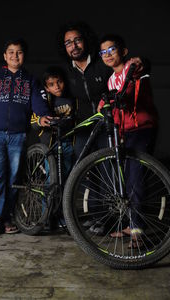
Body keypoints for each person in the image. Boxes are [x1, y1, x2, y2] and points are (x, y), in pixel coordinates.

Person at [0, 38, 51, 238]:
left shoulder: (30, 80)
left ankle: (8, 217)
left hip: (18, 136)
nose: (15, 56)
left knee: (14, 177)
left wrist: (43, 115)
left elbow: (38, 102)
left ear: (24, 56)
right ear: (4, 56)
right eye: (11, 52)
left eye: (19, 52)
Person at [97, 34, 158, 246]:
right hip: (124, 134)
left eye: (111, 50)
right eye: (103, 52)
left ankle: (137, 232)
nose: (107, 55)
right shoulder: (111, 80)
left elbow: (141, 66)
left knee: (135, 180)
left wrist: (138, 62)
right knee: (125, 180)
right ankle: (132, 223)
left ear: (123, 51)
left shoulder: (133, 69)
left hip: (141, 129)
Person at [56, 21, 145, 160]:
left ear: (85, 40)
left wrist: (142, 63)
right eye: (68, 43)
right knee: (82, 170)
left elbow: (126, 68)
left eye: (77, 40)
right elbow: (49, 87)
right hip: (83, 128)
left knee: (109, 167)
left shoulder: (103, 61)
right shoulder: (64, 71)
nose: (73, 46)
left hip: (108, 124)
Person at [31, 66, 75, 227]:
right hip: (50, 146)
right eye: (51, 84)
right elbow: (33, 121)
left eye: (59, 82)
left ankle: (63, 217)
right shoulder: (44, 101)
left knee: (67, 181)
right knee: (51, 181)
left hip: (68, 143)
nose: (56, 86)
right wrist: (40, 121)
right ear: (46, 87)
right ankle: (47, 217)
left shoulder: (72, 99)